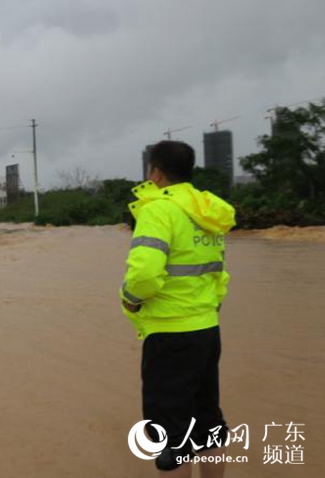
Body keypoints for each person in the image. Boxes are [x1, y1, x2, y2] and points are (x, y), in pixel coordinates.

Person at [120, 141, 236, 477]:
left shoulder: (159, 209)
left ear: (154, 172)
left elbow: (143, 274)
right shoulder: (208, 210)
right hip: (207, 329)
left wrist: (130, 299)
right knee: (208, 420)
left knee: (172, 433)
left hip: (170, 333)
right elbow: (218, 272)